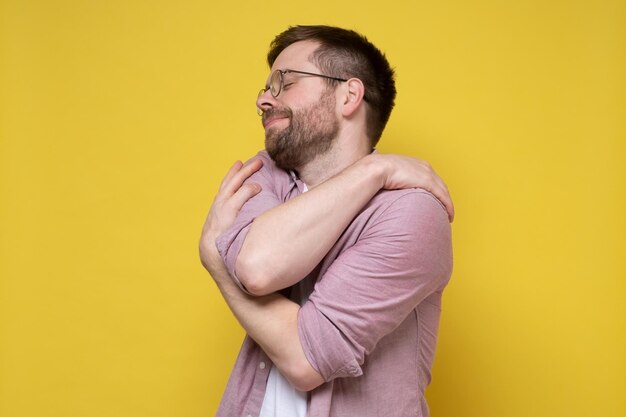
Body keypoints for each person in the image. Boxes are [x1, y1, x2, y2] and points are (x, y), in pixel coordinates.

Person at [199, 25, 453, 417]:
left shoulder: (412, 213)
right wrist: (377, 169)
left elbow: (305, 358)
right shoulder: (263, 173)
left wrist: (215, 261)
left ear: (349, 95)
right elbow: (261, 263)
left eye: (285, 81)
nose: (263, 99)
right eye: (266, 87)